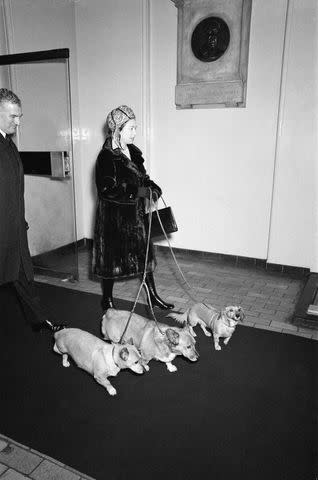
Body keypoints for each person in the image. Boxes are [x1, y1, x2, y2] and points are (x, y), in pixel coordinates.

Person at [93, 104, 174, 312]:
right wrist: (138, 192)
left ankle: (153, 296)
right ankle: (107, 299)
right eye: (131, 128)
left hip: (135, 216)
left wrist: (152, 187)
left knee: (144, 256)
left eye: (135, 128)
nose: (135, 133)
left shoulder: (133, 152)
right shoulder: (106, 156)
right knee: (110, 260)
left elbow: (142, 178)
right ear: (117, 130)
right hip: (114, 217)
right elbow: (107, 189)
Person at [0, 88, 65, 332]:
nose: (17, 122)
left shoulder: (8, 143)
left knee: (24, 277)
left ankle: (41, 320)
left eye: (19, 116)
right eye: (12, 116)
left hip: (14, 228)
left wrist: (20, 221)